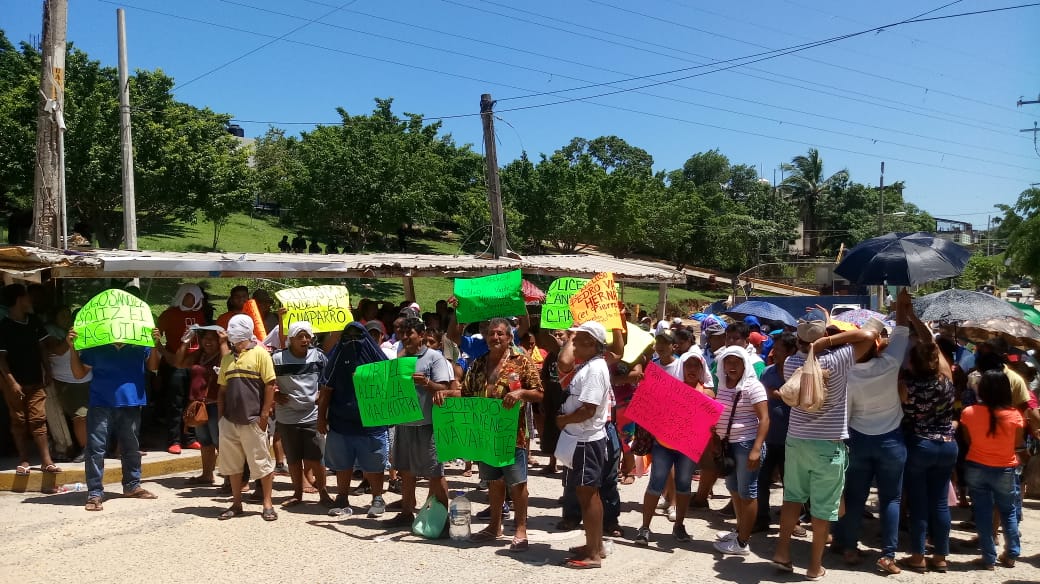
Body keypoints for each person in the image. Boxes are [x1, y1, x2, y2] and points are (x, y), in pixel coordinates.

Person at [771, 318, 877, 581]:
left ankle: (783, 552)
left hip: (796, 440)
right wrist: (829, 340)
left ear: (798, 341)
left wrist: (815, 342)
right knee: (823, 508)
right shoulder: (839, 359)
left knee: (792, 498)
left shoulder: (793, 362)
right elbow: (869, 333)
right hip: (828, 443)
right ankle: (814, 565)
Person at [454, 318, 543, 551]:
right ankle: (495, 525)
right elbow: (466, 394)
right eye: (492, 334)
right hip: (486, 433)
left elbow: (539, 393)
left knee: (517, 483)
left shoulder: (521, 361)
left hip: (513, 433)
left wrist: (521, 393)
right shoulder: (479, 363)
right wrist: (443, 392)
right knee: (493, 481)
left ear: (509, 336)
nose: (495, 338)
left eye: (500, 334)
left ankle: (521, 529)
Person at [834, 300, 910, 572]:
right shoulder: (891, 363)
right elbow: (902, 330)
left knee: (855, 498)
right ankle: (888, 554)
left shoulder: (848, 374)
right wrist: (902, 305)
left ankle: (851, 548)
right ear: (876, 344)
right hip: (891, 440)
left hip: (858, 439)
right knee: (891, 498)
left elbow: (845, 415)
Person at [66, 325, 163, 511]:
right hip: (101, 403)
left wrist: (154, 344)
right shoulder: (96, 346)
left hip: (132, 403)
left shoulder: (140, 343)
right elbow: (79, 374)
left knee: (131, 447)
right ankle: (95, 493)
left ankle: (132, 485)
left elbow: (153, 367)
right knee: (95, 449)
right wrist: (72, 348)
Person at [896, 301, 958, 573]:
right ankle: (941, 556)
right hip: (947, 445)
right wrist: (914, 318)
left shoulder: (905, 385)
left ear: (912, 362)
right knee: (940, 502)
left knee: (919, 503)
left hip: (919, 444)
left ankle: (918, 555)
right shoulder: (946, 380)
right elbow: (930, 340)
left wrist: (904, 316)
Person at [383, 318, 455, 527]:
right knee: (405, 470)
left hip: (428, 425)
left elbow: (444, 389)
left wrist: (426, 382)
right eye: (402, 334)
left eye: (409, 334)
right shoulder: (401, 358)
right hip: (405, 424)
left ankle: (442, 518)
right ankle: (407, 512)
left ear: (421, 335)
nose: (404, 338)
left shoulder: (435, 358)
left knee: (434, 471)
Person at [633, 352, 709, 547]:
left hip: (687, 449)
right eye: (688, 365)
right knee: (655, 484)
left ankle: (679, 526)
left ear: (701, 369)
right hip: (664, 446)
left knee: (684, 486)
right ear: (681, 367)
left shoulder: (707, 394)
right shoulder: (669, 389)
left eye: (696, 366)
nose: (692, 369)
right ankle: (644, 527)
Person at [556, 321, 612, 569]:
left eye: (577, 339)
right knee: (589, 493)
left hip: (586, 441)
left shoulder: (595, 370)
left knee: (587, 495)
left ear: (592, 343)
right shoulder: (589, 365)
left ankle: (592, 555)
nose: (573, 343)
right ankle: (595, 544)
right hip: (582, 440)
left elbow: (588, 409)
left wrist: (564, 420)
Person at [319, 322, 391, 517]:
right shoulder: (338, 357)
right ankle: (342, 497)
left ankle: (377, 498)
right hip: (341, 422)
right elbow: (326, 388)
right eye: (348, 336)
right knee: (342, 464)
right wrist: (320, 418)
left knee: (376, 464)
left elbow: (392, 387)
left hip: (372, 425)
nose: (352, 340)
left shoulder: (378, 359)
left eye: (357, 336)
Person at [215, 314, 278, 521]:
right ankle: (236, 503)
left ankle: (267, 504)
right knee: (232, 465)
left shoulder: (261, 354)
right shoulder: (226, 359)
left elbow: (270, 384)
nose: (232, 335)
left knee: (262, 463)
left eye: (236, 333)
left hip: (253, 420)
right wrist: (221, 417)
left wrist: (264, 414)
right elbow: (222, 389)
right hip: (230, 421)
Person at [961, 370, 1023, 570]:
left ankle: (988, 558)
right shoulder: (1015, 415)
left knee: (982, 512)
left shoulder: (968, 412)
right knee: (1008, 511)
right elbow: (1017, 443)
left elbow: (968, 441)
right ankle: (1012, 553)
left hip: (977, 466)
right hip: (1005, 468)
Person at [712, 346, 769, 556]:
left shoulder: (753, 386)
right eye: (729, 362)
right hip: (729, 445)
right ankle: (739, 530)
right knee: (734, 488)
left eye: (737, 362)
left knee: (747, 493)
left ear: (745, 364)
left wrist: (756, 449)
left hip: (747, 445)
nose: (732, 366)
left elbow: (764, 419)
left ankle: (743, 542)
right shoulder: (723, 385)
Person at [0, 284, 60, 475]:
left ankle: (46, 461)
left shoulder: (34, 321)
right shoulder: (4, 327)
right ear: (19, 299)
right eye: (26, 296)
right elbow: (1, 360)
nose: (30, 300)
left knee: (38, 420)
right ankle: (24, 460)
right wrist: (12, 383)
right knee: (18, 421)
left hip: (35, 379)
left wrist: (48, 371)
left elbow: (43, 348)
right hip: (13, 383)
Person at [755, 332, 799, 534]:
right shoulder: (767, 372)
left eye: (780, 349)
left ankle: (793, 522)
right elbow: (763, 396)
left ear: (791, 351)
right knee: (762, 479)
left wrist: (779, 394)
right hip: (770, 437)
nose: (775, 352)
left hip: (793, 438)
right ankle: (761, 518)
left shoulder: (800, 374)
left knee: (791, 483)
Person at [175, 326, 229, 487]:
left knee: (220, 442)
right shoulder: (200, 355)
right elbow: (179, 363)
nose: (208, 342)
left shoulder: (223, 355)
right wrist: (185, 342)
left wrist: (223, 343)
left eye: (212, 338)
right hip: (199, 406)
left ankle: (229, 477)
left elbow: (227, 365)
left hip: (215, 405)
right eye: (205, 338)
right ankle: (207, 474)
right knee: (205, 441)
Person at [156, 283, 206, 454]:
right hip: (174, 363)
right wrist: (163, 352)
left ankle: (190, 437)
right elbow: (155, 336)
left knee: (192, 401)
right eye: (188, 296)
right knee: (175, 403)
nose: (191, 300)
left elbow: (202, 338)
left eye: (194, 297)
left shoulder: (200, 314)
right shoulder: (168, 314)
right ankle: (174, 440)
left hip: (194, 364)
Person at [46, 306, 91, 462]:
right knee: (80, 416)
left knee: (86, 416)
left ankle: (88, 448)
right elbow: (58, 351)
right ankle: (85, 449)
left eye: (68, 315)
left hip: (86, 378)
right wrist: (69, 339)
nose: (67, 318)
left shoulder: (80, 331)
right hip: (68, 381)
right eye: (62, 315)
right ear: (54, 317)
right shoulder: (50, 331)